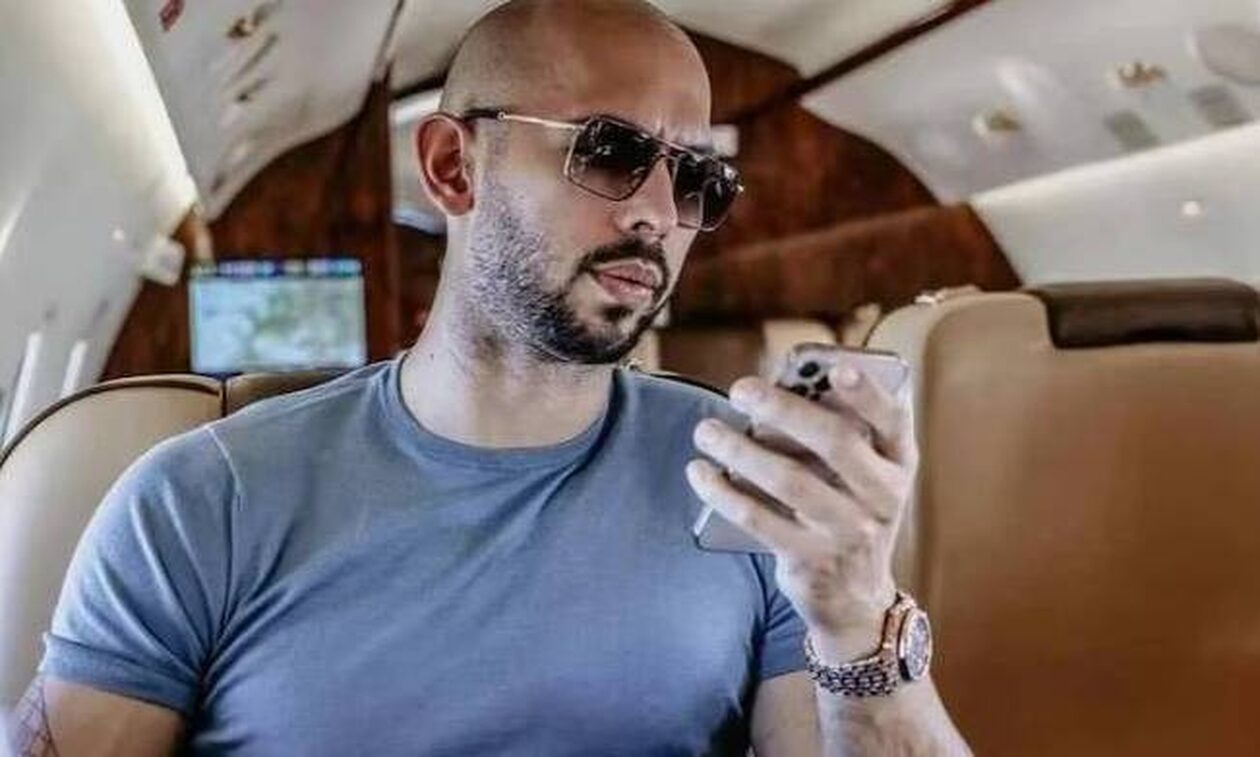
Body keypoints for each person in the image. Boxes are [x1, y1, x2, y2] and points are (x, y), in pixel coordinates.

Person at [6, 1, 970, 754]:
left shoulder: (749, 489)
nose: (658, 213)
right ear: (452, 168)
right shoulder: (197, 502)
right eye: (611, 152)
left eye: (695, 179)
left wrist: (856, 615)